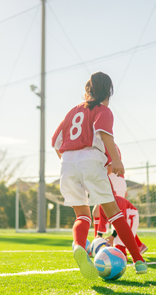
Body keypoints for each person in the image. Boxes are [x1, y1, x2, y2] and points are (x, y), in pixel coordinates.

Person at [51, 72, 147, 280]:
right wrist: (116, 160)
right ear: (108, 92)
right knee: (115, 213)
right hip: (91, 159)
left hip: (66, 162)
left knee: (82, 215)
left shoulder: (72, 111)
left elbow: (55, 142)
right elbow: (104, 134)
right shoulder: (103, 110)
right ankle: (139, 261)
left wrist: (69, 161)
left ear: (88, 90)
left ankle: (78, 246)